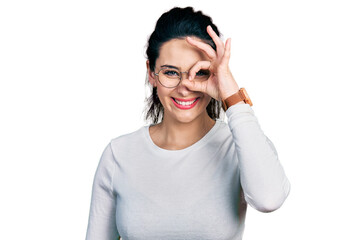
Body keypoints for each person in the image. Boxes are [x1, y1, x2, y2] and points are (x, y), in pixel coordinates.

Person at [85, 6, 290, 240]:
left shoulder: (239, 146)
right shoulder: (118, 154)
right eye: (171, 72)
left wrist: (230, 94)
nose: (185, 87)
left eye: (200, 72)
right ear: (151, 73)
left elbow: (269, 199)